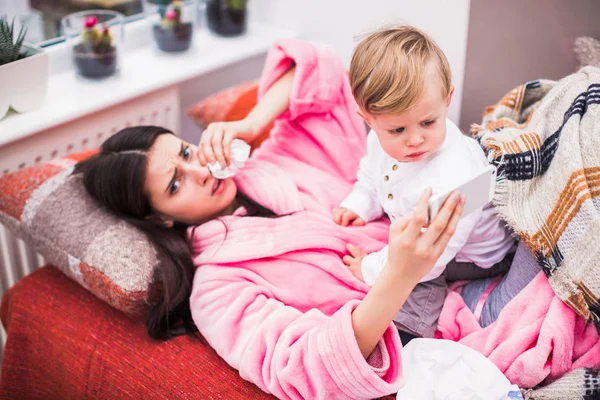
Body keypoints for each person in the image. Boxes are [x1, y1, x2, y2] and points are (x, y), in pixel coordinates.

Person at [75, 38, 534, 398]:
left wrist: (254, 122)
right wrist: (397, 276)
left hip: (473, 250)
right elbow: (301, 366)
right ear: (158, 219)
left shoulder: (277, 156)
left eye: (188, 152)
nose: (201, 170)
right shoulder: (217, 289)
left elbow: (326, 69)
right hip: (446, 318)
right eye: (176, 184)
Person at [332, 26, 516, 340]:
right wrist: (362, 200)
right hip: (429, 233)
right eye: (397, 130)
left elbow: (426, 259)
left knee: (417, 280)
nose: (415, 140)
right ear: (368, 119)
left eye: (428, 122)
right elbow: (372, 172)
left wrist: (373, 270)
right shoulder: (380, 141)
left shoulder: (455, 178)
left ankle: (411, 334)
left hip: (471, 255)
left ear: (447, 100)